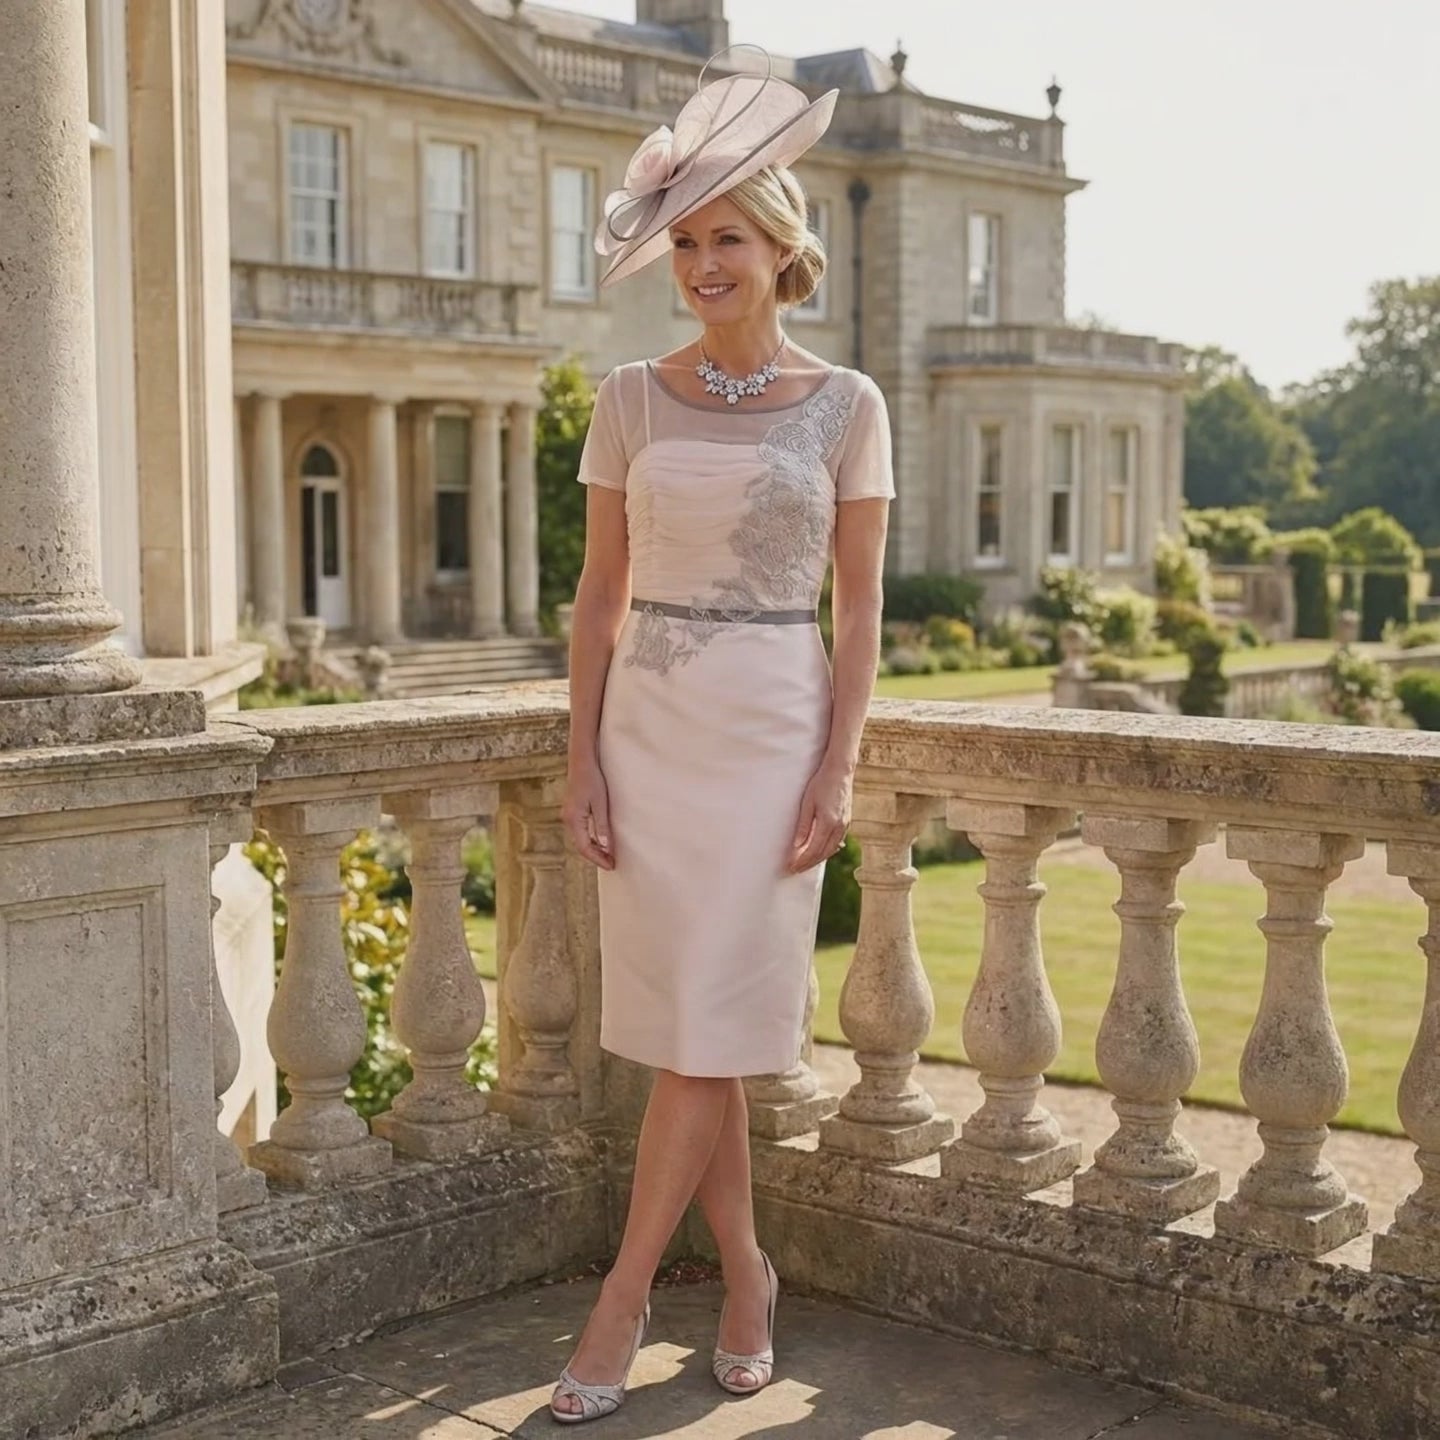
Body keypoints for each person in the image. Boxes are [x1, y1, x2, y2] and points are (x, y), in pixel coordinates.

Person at [552, 47, 894, 1425]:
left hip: (771, 733)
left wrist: (842, 758)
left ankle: (622, 1299)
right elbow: (594, 600)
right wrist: (578, 755)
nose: (702, 260)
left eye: (727, 236)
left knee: (709, 1030)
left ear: (780, 247)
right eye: (685, 238)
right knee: (704, 1028)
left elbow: (863, 615)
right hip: (651, 730)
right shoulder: (630, 396)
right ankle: (746, 1280)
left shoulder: (850, 404)